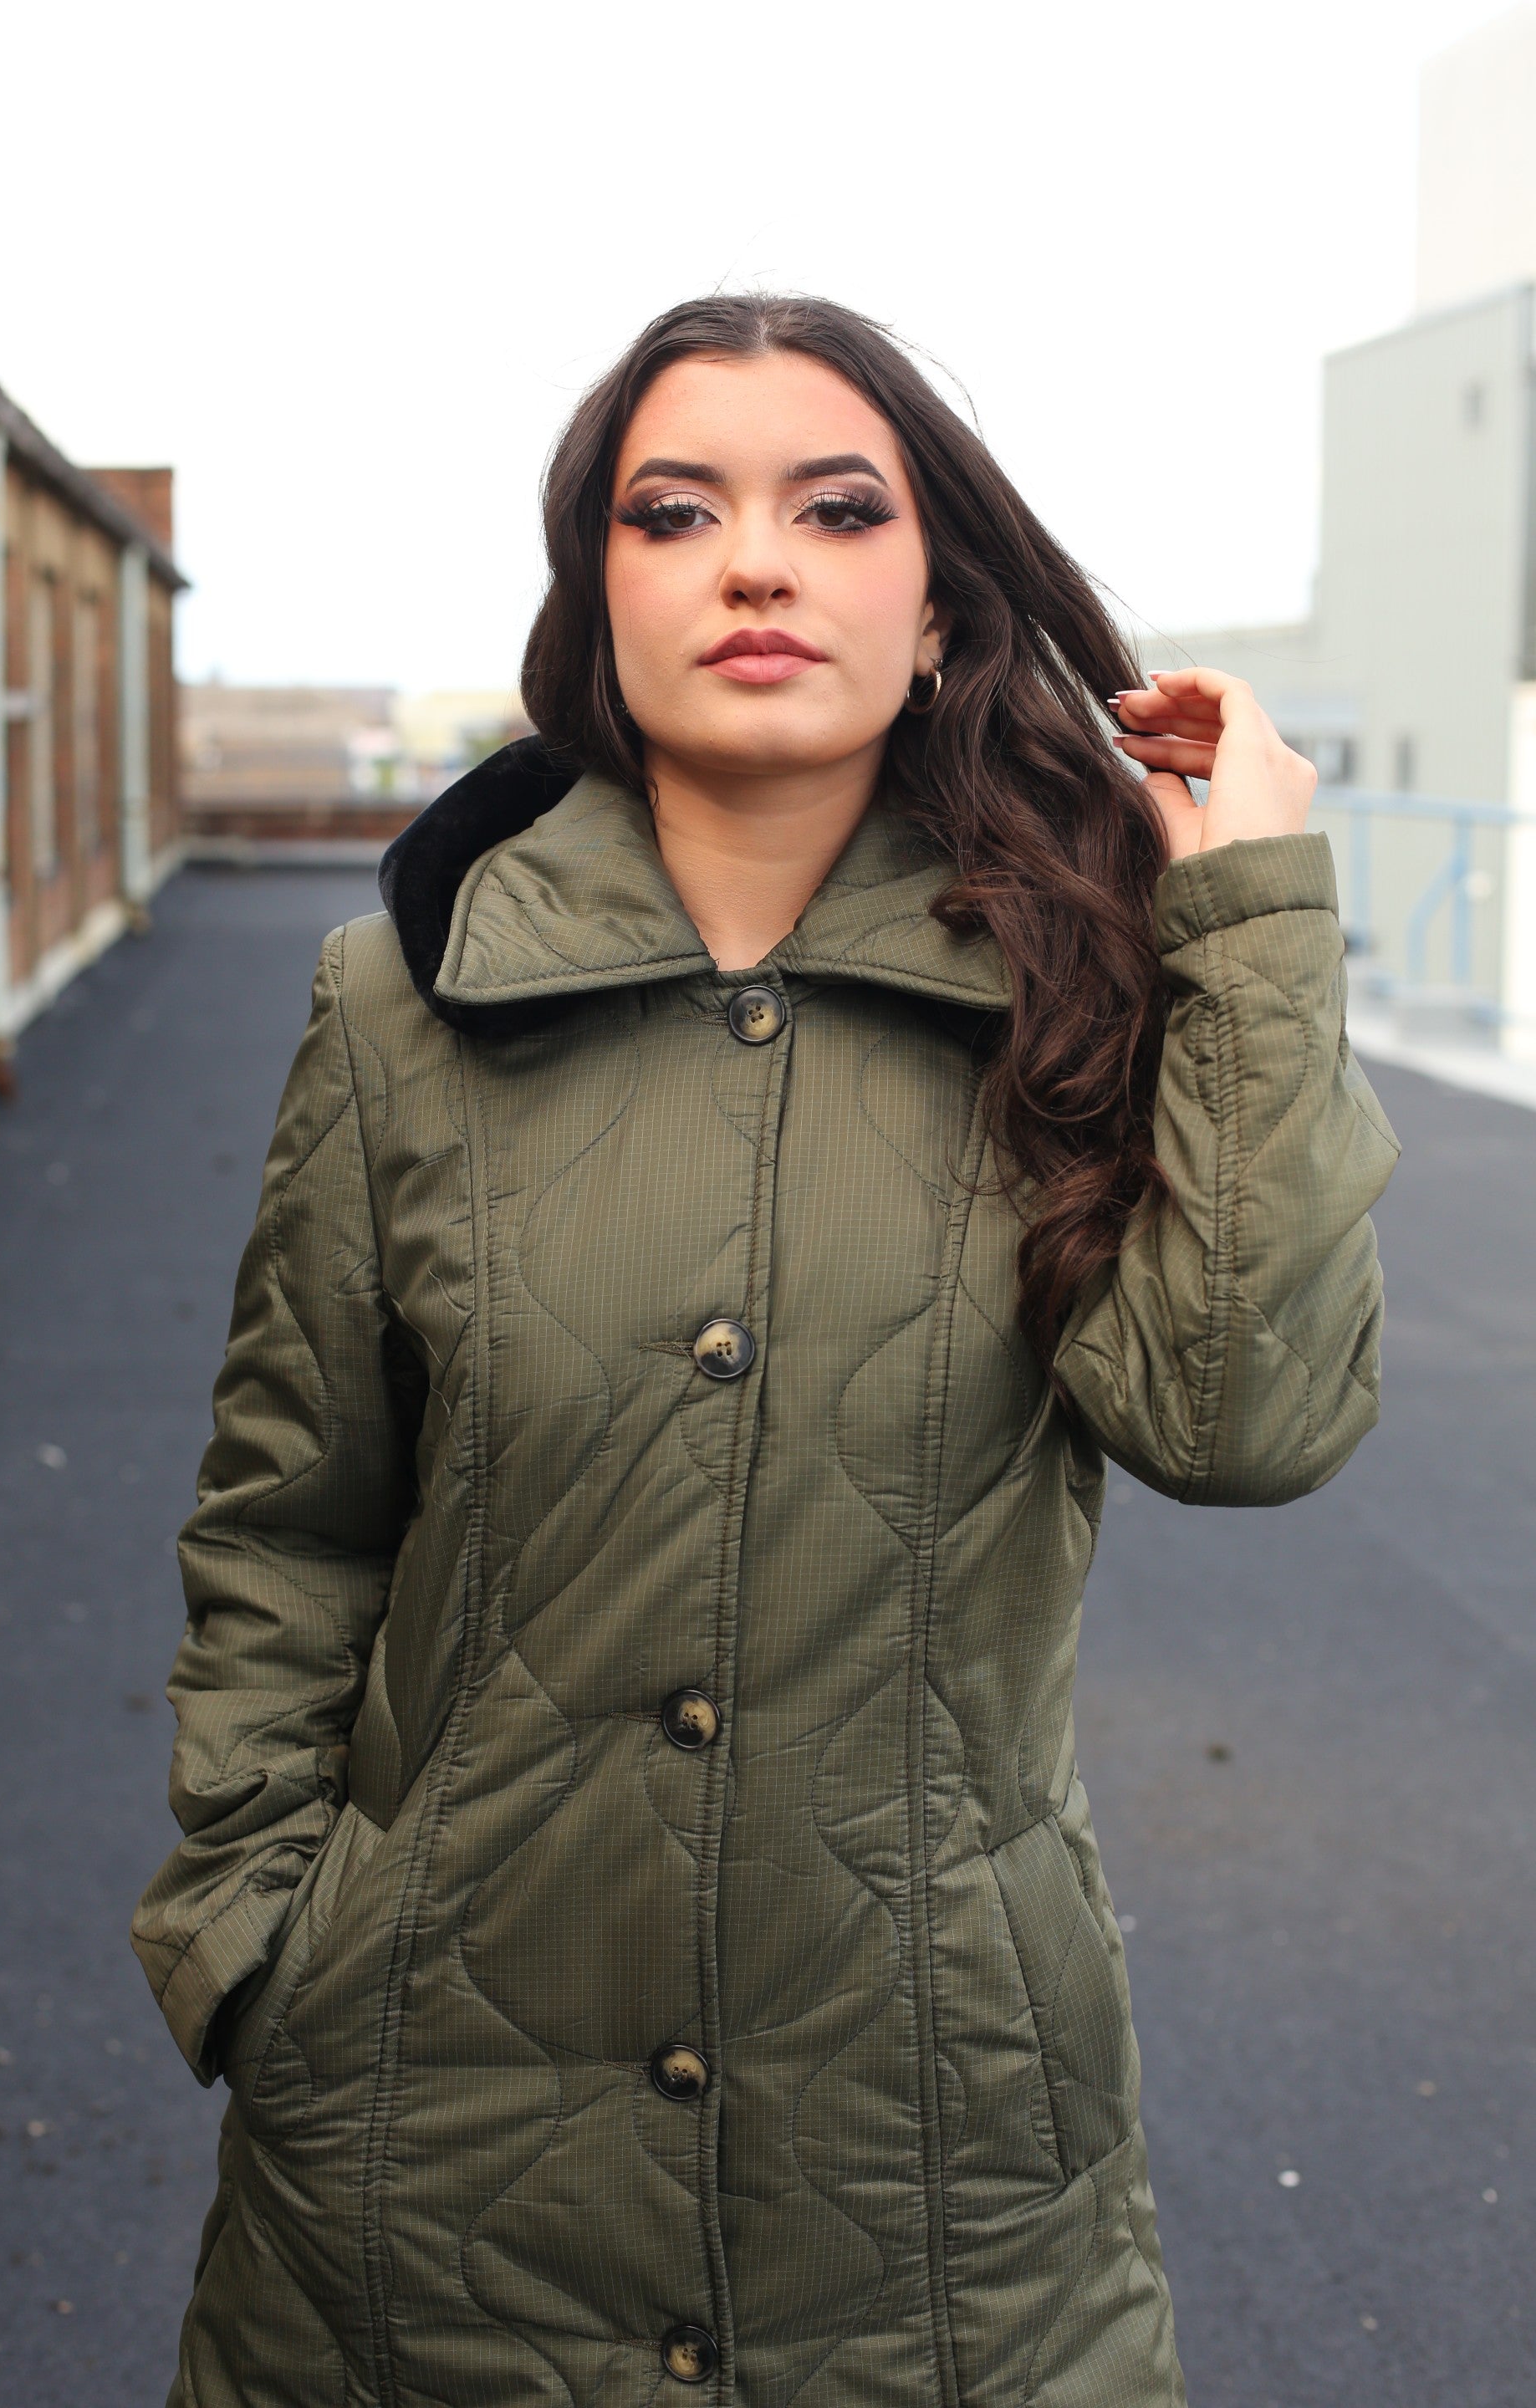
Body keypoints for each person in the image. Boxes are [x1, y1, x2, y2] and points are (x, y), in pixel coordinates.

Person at [135, 294, 1397, 2408]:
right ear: (599, 597)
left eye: (835, 507)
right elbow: (289, 1522)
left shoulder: (1093, 1003)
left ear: (933, 615)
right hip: (415, 2173)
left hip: (941, 2172)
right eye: (672, 510)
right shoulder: (397, 1006)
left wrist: (1249, 910)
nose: (754, 561)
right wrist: (260, 1951)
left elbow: (1247, 1422)